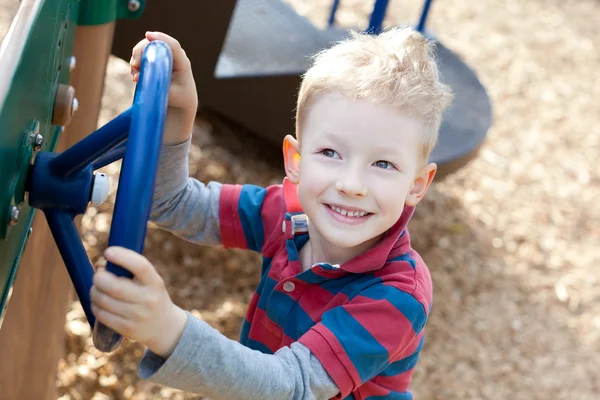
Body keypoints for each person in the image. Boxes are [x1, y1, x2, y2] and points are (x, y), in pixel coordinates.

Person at [90, 27, 453, 399]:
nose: (352, 184)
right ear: (295, 160)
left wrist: (169, 329)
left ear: (417, 184)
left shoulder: (396, 295)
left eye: (383, 164)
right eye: (330, 153)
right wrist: (179, 115)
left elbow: (291, 386)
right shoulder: (289, 214)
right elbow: (174, 203)